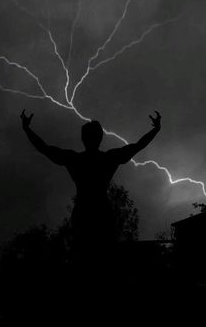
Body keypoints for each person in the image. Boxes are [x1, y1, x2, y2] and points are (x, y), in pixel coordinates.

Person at [20, 110, 161, 263]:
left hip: (82, 214)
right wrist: (155, 129)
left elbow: (44, 148)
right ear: (100, 138)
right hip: (102, 214)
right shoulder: (108, 159)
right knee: (105, 257)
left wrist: (27, 129)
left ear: (82, 138)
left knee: (82, 257)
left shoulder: (75, 160)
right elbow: (138, 146)